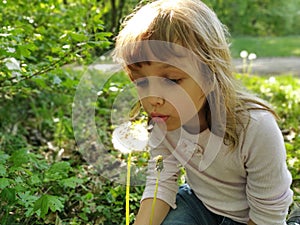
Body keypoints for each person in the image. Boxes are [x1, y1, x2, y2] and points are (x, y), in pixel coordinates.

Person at [112, 0, 300, 224]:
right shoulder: (163, 120)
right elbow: (161, 182)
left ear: (211, 73)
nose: (153, 98)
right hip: (198, 203)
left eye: (171, 80)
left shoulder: (255, 127)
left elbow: (267, 213)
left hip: (251, 215)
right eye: (142, 83)